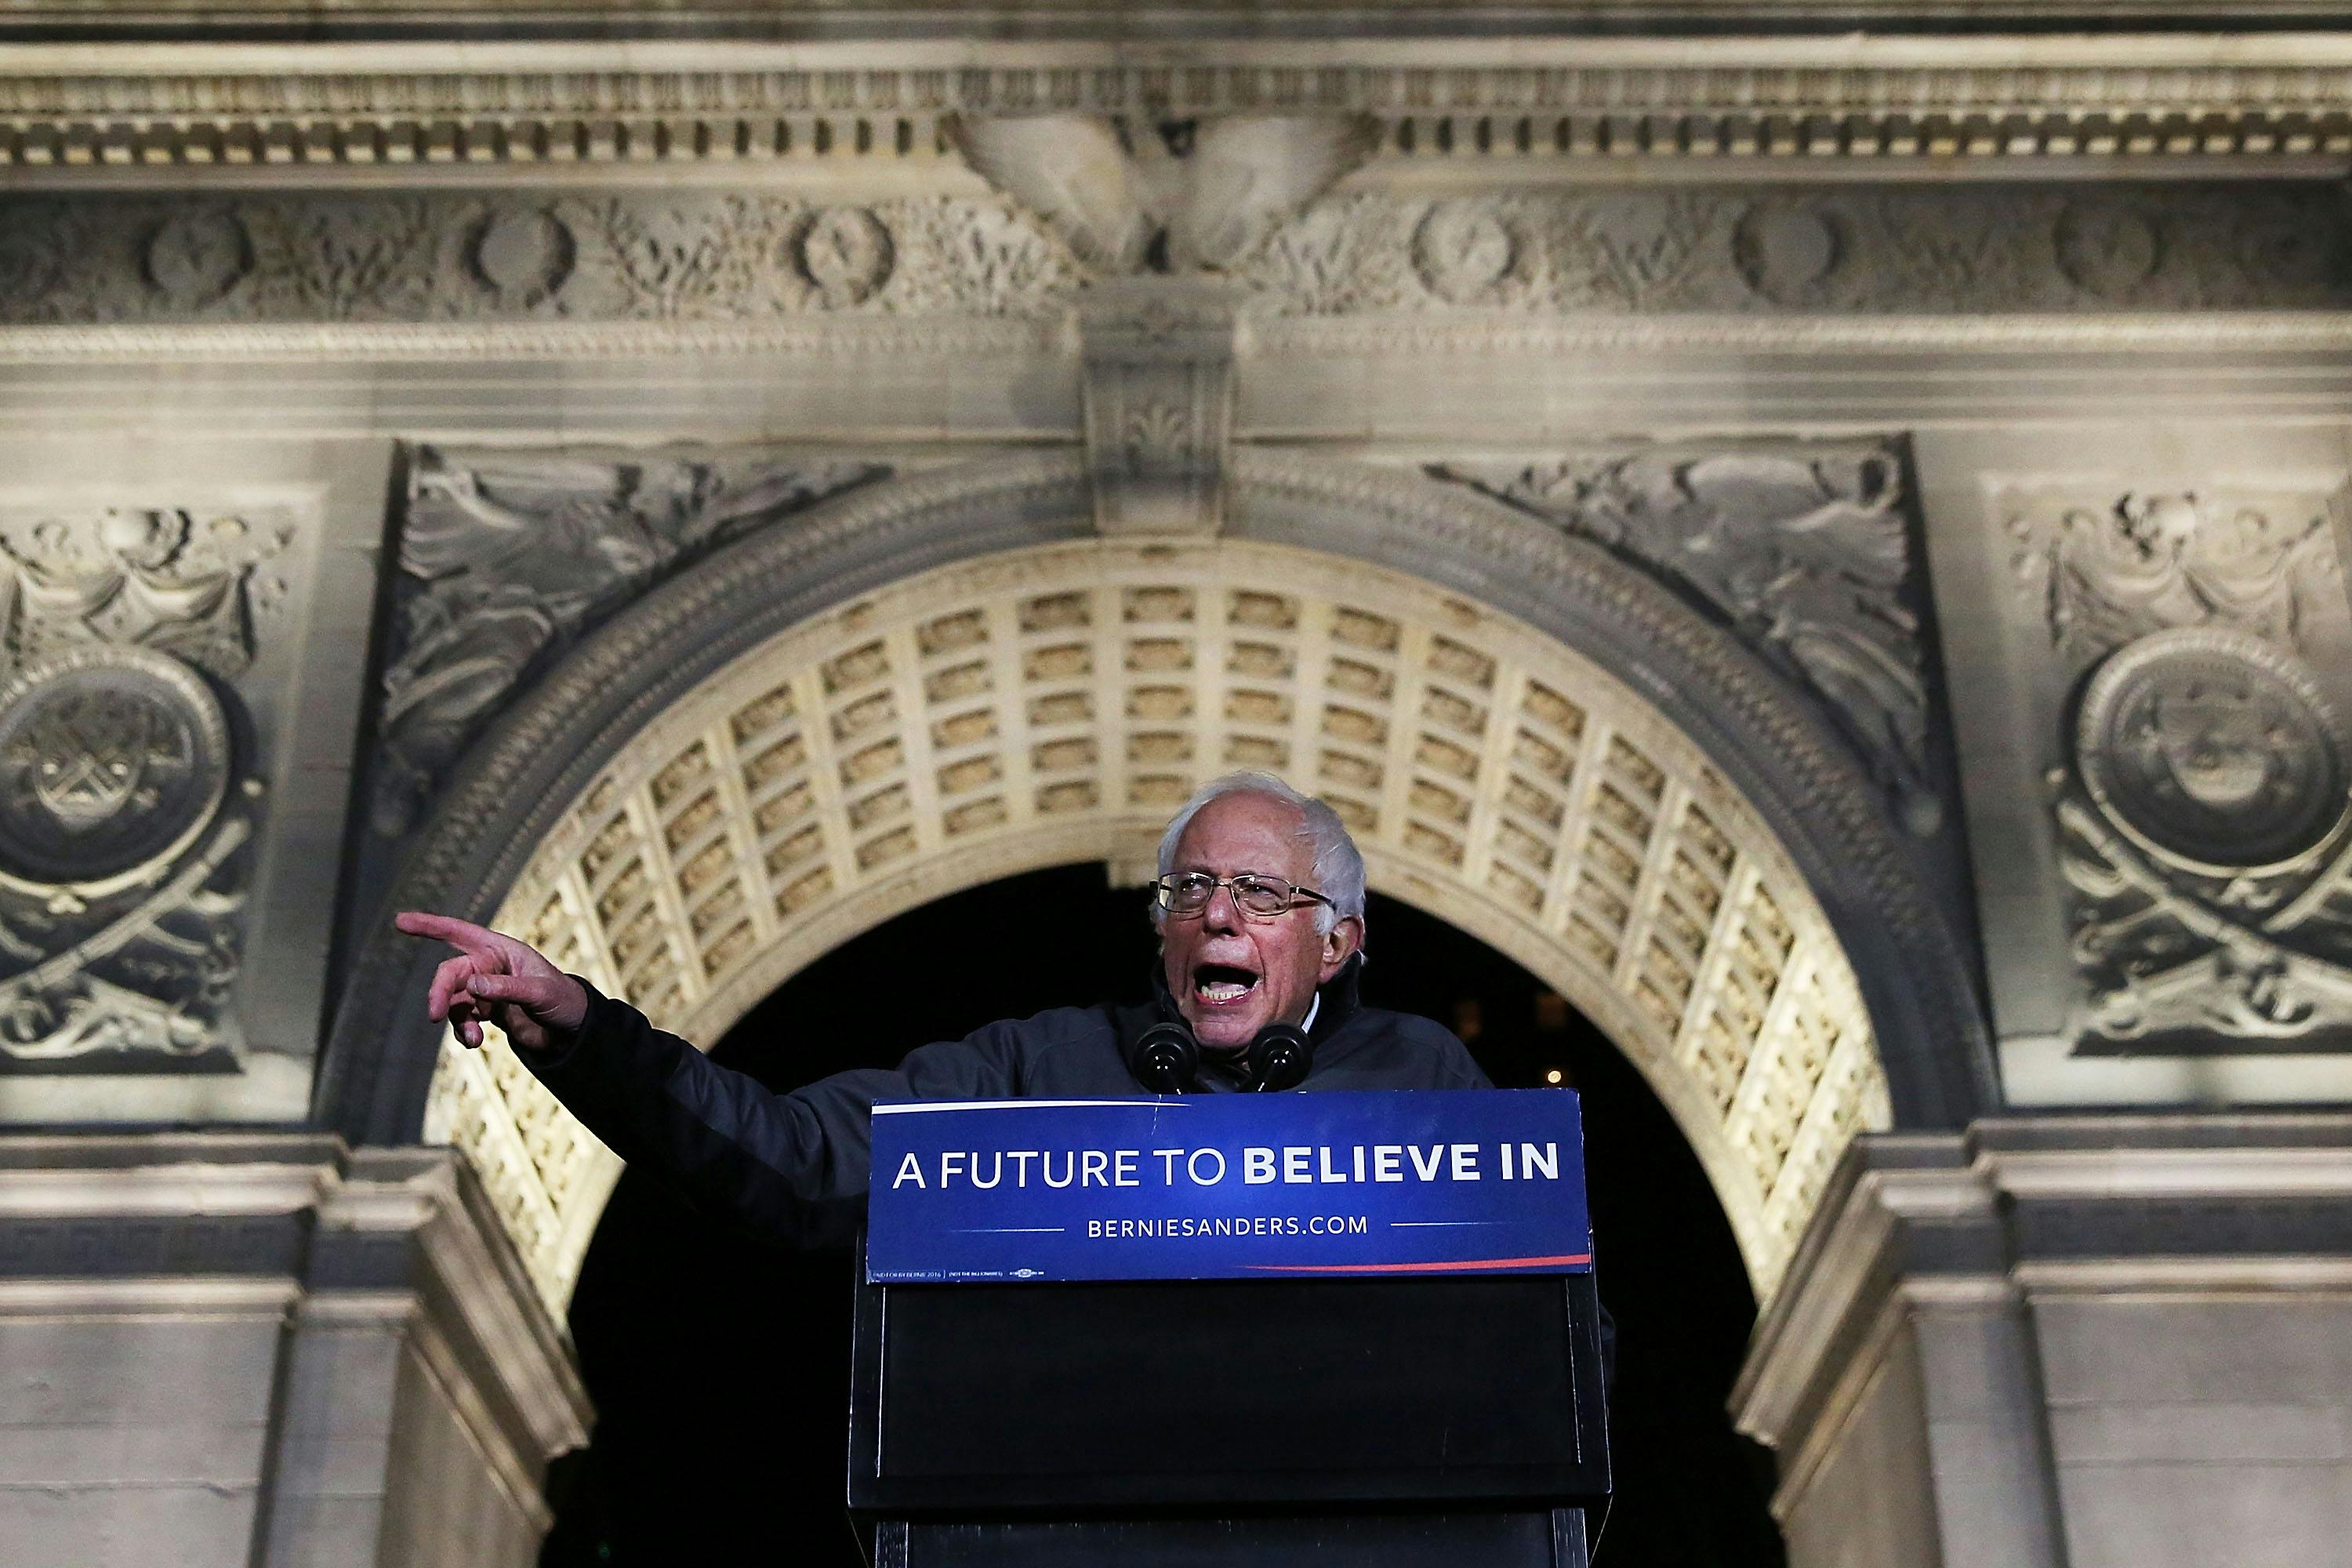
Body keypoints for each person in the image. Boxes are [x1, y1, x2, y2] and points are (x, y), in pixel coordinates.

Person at [399, 771, 1490, 1246]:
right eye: (1190, 888)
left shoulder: (1426, 1077)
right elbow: (797, 1157)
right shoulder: (1038, 1067)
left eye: (1259, 892)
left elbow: (1549, 1304)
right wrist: (585, 1030)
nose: (1216, 915)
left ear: (1337, 942)